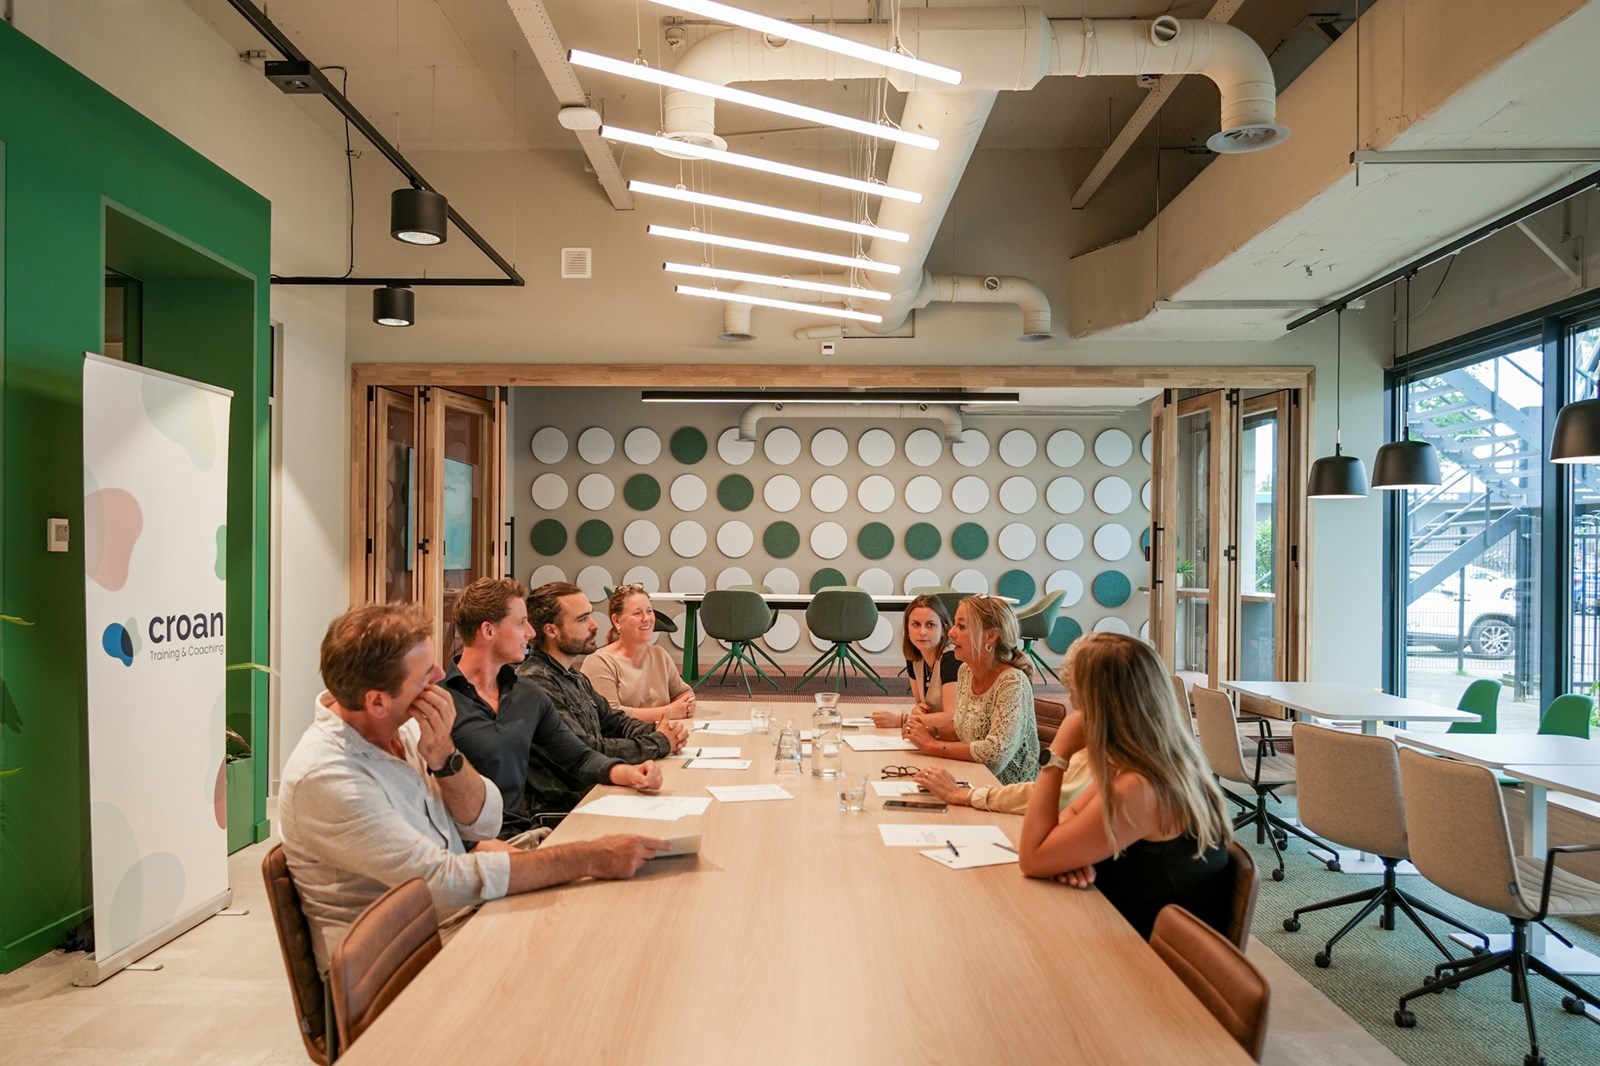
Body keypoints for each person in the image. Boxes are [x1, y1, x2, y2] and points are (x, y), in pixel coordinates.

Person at [277, 602, 665, 972]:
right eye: (424, 676)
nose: (439, 678)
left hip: (449, 918)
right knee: (595, 946)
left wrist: (446, 757)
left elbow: (484, 823)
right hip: (404, 962)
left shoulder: (404, 729)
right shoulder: (328, 776)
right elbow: (442, 883)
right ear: (377, 702)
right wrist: (588, 858)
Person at [1016, 632, 1233, 941]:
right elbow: (1065, 823)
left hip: (1143, 957)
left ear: (1097, 709)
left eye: (1076, 700)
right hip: (1120, 927)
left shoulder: (1140, 787)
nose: (1075, 711)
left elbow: (1032, 857)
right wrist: (1069, 852)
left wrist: (1058, 753)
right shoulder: (1152, 762)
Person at [445, 577, 664, 830]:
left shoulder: (527, 694)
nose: (530, 632)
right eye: (520, 623)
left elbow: (579, 757)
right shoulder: (442, 703)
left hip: (520, 833)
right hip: (476, 841)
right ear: (488, 631)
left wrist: (629, 773)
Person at [518, 583, 688, 804]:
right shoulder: (537, 683)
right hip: (572, 805)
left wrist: (660, 731)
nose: (595, 625)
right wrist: (659, 742)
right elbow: (588, 750)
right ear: (551, 630)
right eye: (582, 619)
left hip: (599, 789)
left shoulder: (573, 676)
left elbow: (614, 722)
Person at [904, 595, 1038, 785]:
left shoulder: (1012, 682)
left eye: (961, 626)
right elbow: (963, 727)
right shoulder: (966, 671)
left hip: (1006, 791)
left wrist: (932, 745)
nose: (951, 633)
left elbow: (995, 755)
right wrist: (931, 731)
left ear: (990, 636)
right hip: (973, 780)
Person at [580, 584, 695, 724]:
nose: (646, 618)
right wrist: (669, 712)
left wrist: (686, 704)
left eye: (649, 611)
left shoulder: (659, 654)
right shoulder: (599, 662)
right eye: (637, 613)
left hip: (663, 732)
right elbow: (611, 716)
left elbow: (683, 693)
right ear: (617, 621)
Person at [870, 594, 958, 730]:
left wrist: (901, 720)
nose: (922, 632)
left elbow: (951, 717)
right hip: (934, 731)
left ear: (944, 630)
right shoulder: (914, 657)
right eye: (916, 624)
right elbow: (921, 704)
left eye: (930, 625)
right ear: (908, 630)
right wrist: (918, 710)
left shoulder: (952, 658)